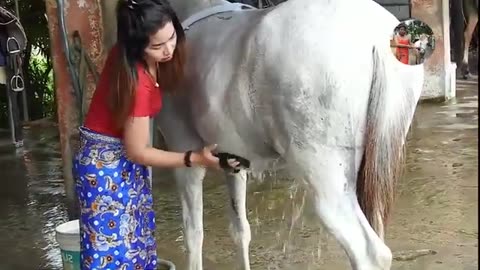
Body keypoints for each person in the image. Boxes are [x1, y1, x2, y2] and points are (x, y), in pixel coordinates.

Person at [73, 0, 241, 268]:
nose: (169, 49)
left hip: (121, 160)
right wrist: (194, 158)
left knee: (135, 239)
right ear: (137, 46)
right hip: (105, 166)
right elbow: (138, 151)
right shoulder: (137, 81)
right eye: (157, 45)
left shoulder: (132, 54)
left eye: (172, 36)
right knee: (113, 251)